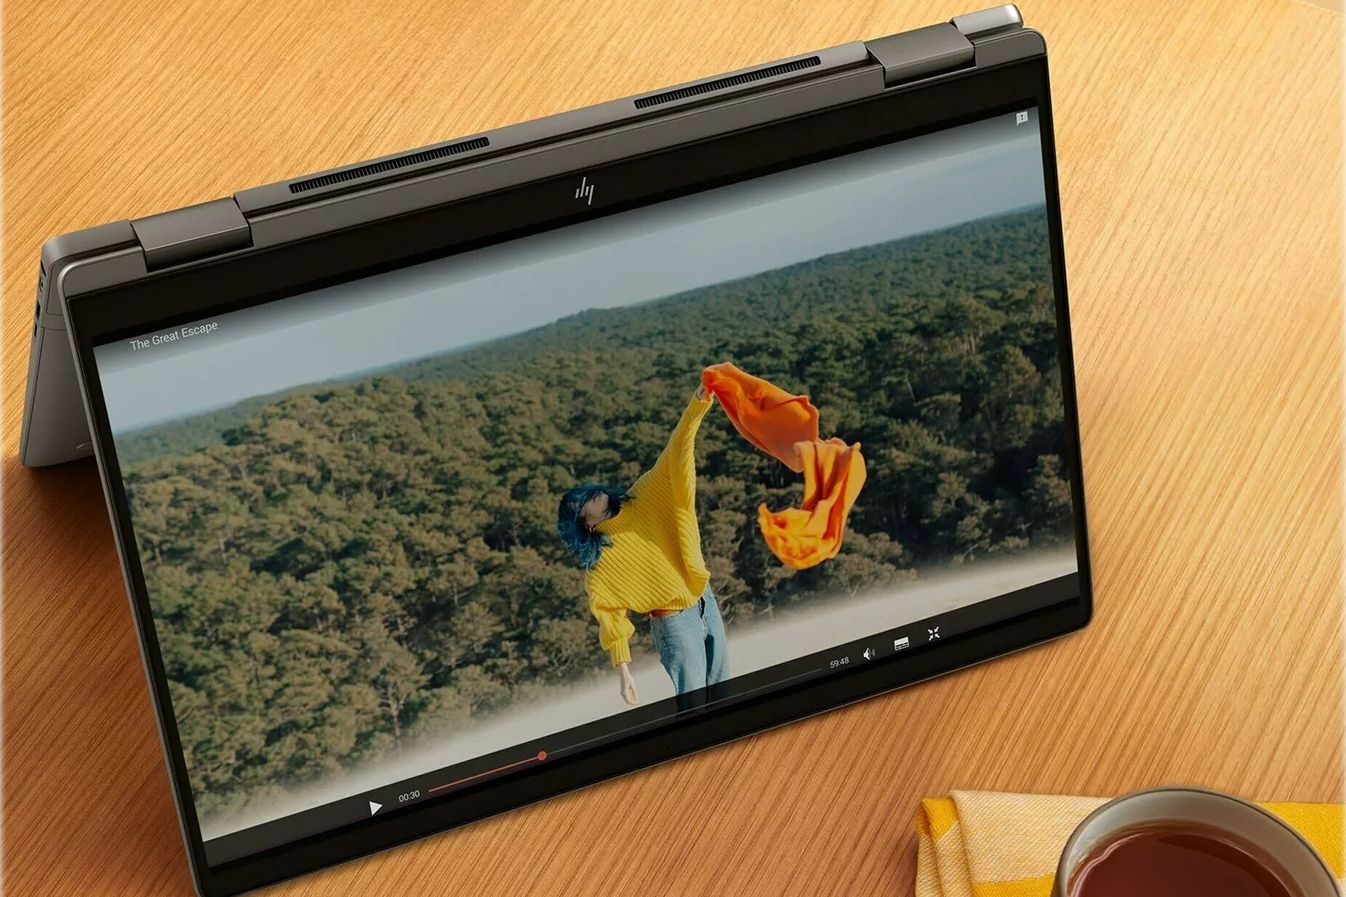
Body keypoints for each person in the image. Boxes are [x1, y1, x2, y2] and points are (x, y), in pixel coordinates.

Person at [556, 383, 728, 704]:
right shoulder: (600, 565)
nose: (589, 496)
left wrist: (697, 404)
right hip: (673, 622)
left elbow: (674, 451)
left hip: (704, 597)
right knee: (695, 705)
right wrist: (624, 673)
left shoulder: (643, 494)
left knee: (723, 690)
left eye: (586, 491)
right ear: (586, 524)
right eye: (581, 504)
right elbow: (610, 619)